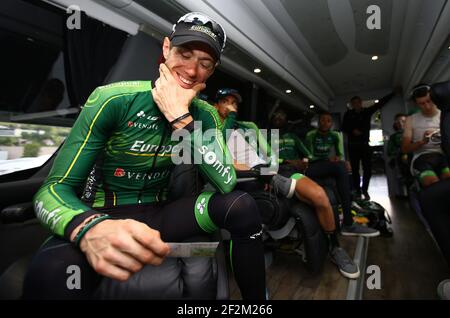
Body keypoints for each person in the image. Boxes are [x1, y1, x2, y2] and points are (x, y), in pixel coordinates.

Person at [23, 12, 266, 300]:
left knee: (242, 205)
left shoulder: (206, 114)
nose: (191, 70)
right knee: (50, 273)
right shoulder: (113, 99)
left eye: (205, 64)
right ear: (166, 49)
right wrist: (89, 227)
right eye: (185, 54)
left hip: (162, 212)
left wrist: (182, 120)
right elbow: (51, 191)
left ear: (211, 71)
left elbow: (225, 183)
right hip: (105, 213)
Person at [214, 88, 360, 279]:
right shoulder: (210, 131)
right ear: (215, 105)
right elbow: (220, 160)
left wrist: (270, 170)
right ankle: (273, 181)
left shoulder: (247, 126)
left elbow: (270, 153)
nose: (232, 106)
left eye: (235, 103)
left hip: (272, 171)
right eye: (226, 102)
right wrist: (261, 174)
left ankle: (335, 247)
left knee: (320, 195)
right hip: (250, 178)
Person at [304, 112, 380, 237]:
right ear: (318, 122)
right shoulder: (311, 135)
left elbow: (339, 154)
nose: (324, 123)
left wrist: (340, 160)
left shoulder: (335, 135)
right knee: (340, 167)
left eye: (328, 121)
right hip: (312, 165)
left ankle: (350, 204)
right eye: (322, 120)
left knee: (343, 167)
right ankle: (348, 223)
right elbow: (309, 156)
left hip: (326, 164)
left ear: (331, 124)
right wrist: (330, 160)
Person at [342, 89, 400, 200]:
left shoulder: (367, 111)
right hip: (353, 145)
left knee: (368, 169)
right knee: (354, 170)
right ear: (352, 105)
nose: (356, 105)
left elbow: (380, 104)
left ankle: (365, 190)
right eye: (354, 103)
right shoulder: (348, 114)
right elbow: (343, 127)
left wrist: (393, 93)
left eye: (358, 102)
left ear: (361, 103)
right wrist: (352, 130)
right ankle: (358, 191)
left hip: (365, 145)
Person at [402, 84, 450, 188]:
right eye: (422, 104)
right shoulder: (410, 120)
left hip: (444, 155)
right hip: (421, 158)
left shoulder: (445, 115)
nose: (427, 106)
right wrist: (422, 142)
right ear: (416, 104)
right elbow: (405, 148)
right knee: (433, 185)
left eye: (429, 101)